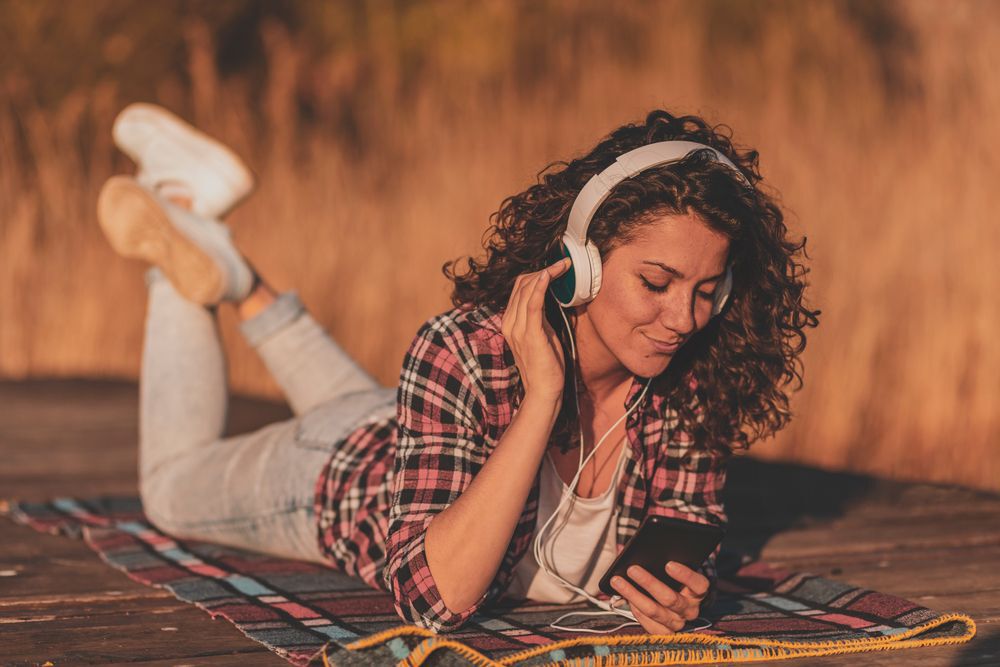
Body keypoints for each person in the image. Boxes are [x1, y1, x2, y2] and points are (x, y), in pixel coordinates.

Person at [97, 104, 819, 636]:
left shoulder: (692, 380)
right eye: (656, 283)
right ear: (583, 264)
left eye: (707, 291)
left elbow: (688, 525)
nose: (684, 319)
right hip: (335, 474)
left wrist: (680, 595)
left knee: (360, 403)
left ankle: (227, 265)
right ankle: (178, 223)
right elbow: (432, 601)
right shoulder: (466, 349)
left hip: (412, 422)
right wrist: (543, 399)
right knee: (168, 488)